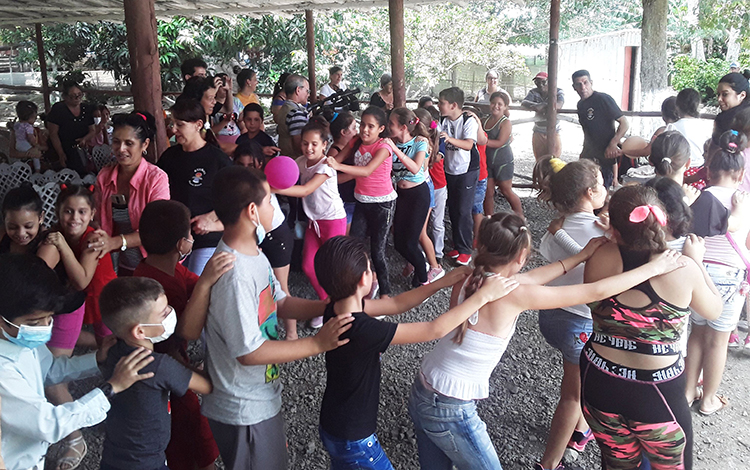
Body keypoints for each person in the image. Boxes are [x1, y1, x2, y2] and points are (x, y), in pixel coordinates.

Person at [408, 212, 687, 470]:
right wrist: (652, 269)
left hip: (425, 385)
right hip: (449, 406)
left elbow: (531, 278)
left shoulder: (472, 275)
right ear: (521, 256)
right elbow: (595, 291)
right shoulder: (513, 294)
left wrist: (582, 256)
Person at [179, 166, 353, 470]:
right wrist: (317, 344)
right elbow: (249, 352)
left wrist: (325, 306)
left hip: (256, 397)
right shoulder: (234, 275)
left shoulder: (254, 254)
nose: (274, 207)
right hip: (242, 407)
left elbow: (280, 302)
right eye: (269, 201)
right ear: (251, 211)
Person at [315, 235, 519, 469]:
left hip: (334, 424)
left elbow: (396, 304)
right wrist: (484, 296)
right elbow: (435, 329)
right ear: (365, 279)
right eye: (371, 269)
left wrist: (438, 284)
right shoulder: (363, 329)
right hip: (355, 438)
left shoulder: (337, 310)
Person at [581, 185, 721, 469]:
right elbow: (714, 310)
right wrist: (697, 262)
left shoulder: (599, 255)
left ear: (614, 230)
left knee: (617, 464)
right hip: (656, 391)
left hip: (599, 379)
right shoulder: (682, 268)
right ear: (663, 221)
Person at [0, 253, 154, 470]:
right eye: (34, 322)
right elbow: (49, 423)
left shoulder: (20, 339)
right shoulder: (3, 371)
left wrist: (98, 359)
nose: (44, 326)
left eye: (49, 317)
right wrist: (111, 388)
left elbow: (50, 370)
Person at [133, 200, 236, 470]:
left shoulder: (154, 269)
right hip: (168, 374)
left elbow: (195, 281)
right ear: (182, 245)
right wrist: (192, 371)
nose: (193, 238)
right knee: (195, 443)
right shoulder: (161, 289)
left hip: (171, 363)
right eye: (190, 236)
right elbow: (180, 331)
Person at [98, 277, 214, 470]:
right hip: (147, 463)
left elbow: (102, 362)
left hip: (114, 457)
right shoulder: (158, 366)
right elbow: (208, 386)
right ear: (140, 331)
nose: (171, 314)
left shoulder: (111, 351)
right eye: (164, 313)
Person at [535, 159, 607, 470]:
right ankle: (550, 463)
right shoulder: (603, 236)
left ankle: (580, 430)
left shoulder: (556, 229)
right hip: (580, 324)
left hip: (550, 317)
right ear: (591, 192)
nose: (606, 189)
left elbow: (553, 258)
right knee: (572, 394)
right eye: (602, 184)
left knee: (577, 379)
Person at [685, 130, 749, 417]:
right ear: (741, 172)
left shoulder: (699, 198)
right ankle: (709, 398)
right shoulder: (744, 202)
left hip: (698, 270)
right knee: (718, 340)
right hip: (728, 275)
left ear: (709, 170)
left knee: (696, 333)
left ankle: (688, 391)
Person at [275, 118, 347, 327]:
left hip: (332, 220)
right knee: (308, 265)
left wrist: (274, 189)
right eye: (305, 143)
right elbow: (284, 174)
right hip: (313, 222)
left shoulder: (326, 166)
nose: (309, 148)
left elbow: (305, 190)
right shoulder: (299, 162)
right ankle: (328, 305)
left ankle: (348, 308)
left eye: (314, 144)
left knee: (336, 269)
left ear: (325, 145)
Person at [158, 99, 232, 275]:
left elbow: (236, 198)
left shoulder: (217, 159)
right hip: (175, 237)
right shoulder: (169, 157)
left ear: (198, 125)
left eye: (179, 125)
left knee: (196, 286)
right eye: (172, 124)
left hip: (207, 237)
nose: (173, 130)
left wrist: (210, 217)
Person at [90, 111, 170, 276]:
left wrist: (115, 242)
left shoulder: (156, 179)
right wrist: (97, 231)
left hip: (151, 264)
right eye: (116, 142)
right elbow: (96, 217)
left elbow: (156, 230)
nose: (121, 149)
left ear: (145, 145)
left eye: (129, 143)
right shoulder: (104, 176)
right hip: (115, 263)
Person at [328, 106, 396, 297]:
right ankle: (363, 283)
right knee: (356, 246)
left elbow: (366, 171)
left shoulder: (384, 147)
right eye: (362, 125)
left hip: (383, 204)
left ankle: (386, 293)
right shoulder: (356, 141)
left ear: (381, 129)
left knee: (377, 251)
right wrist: (325, 165)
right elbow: (336, 160)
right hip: (362, 201)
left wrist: (337, 165)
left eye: (371, 126)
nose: (365, 130)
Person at [233, 144, 297, 339]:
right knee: (261, 287)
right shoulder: (236, 184)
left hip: (277, 237)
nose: (246, 169)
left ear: (260, 164)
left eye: (250, 164)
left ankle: (292, 334)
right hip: (258, 238)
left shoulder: (264, 182)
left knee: (281, 287)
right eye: (241, 164)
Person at [385, 108, 432, 287]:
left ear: (404, 127)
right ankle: (421, 264)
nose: (389, 127)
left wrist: (395, 150)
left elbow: (415, 167)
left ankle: (423, 279)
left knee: (411, 241)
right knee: (398, 242)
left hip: (418, 195)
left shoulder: (420, 142)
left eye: (392, 124)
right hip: (401, 195)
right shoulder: (391, 143)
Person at [437, 87, 478, 266]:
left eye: (442, 103)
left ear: (453, 105)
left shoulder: (469, 120)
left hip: (467, 170)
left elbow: (469, 145)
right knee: (453, 209)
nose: (439, 106)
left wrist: (448, 139)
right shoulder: (442, 120)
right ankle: (457, 244)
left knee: (463, 210)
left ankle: (466, 250)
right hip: (450, 169)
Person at [572, 70, 629, 188]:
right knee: (587, 189)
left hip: (605, 155)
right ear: (574, 87)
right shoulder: (580, 105)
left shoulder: (603, 99)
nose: (583, 87)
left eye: (585, 82)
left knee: (603, 190)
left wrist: (613, 144)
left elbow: (624, 123)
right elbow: (587, 131)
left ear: (591, 83)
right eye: (579, 84)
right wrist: (584, 152)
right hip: (589, 154)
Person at [483, 91, 523, 218]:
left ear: (505, 106)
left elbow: (499, 142)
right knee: (488, 192)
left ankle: (521, 218)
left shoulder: (505, 123)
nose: (496, 106)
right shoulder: (484, 120)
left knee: (506, 190)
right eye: (493, 103)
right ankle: (489, 219)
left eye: (500, 104)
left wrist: (483, 141)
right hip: (488, 161)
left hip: (503, 162)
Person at [47, 81, 96, 175]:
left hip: (80, 150)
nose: (77, 98)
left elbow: (92, 130)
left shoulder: (87, 108)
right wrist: (60, 153)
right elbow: (53, 134)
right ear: (65, 97)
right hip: (62, 148)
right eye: (73, 96)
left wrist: (84, 139)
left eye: (79, 94)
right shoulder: (58, 109)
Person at [326, 111, 358, 233]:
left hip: (352, 197)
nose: (356, 132)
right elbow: (332, 178)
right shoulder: (334, 152)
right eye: (354, 128)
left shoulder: (352, 147)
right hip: (343, 199)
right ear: (343, 132)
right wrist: (355, 174)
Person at [521, 71, 564, 159]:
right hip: (538, 130)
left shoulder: (558, 91)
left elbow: (559, 104)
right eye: (537, 82)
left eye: (543, 82)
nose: (540, 84)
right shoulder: (533, 92)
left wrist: (543, 105)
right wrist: (536, 106)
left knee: (555, 160)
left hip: (554, 130)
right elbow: (524, 102)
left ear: (549, 81)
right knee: (540, 160)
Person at [709, 73, 750, 158]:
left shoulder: (724, 120)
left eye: (725, 94)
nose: (719, 99)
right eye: (718, 94)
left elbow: (713, 153)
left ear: (742, 95)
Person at [276, 74, 310, 157]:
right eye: (307, 91)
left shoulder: (284, 108)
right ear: (298, 90)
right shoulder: (296, 113)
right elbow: (299, 146)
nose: (308, 95)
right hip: (295, 160)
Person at [212, 73, 244, 146]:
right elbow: (211, 130)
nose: (225, 88)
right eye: (222, 85)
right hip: (219, 140)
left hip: (237, 137)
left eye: (227, 84)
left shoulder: (236, 101)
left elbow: (241, 121)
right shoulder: (211, 104)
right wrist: (225, 121)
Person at [13, 100, 43, 171]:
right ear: (30, 117)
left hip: (18, 143)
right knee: (35, 155)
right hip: (24, 143)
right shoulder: (28, 127)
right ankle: (37, 170)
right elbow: (30, 137)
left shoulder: (17, 124)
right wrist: (35, 145)